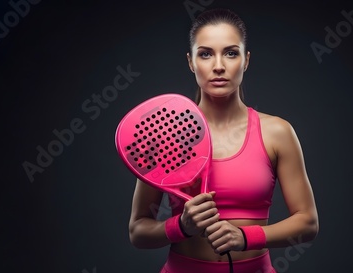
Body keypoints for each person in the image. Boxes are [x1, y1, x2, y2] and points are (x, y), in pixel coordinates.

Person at [128, 8, 319, 273]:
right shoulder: (164, 133)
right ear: (191, 62)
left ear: (246, 60)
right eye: (205, 54)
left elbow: (308, 223)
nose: (219, 66)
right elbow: (138, 231)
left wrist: (245, 237)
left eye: (231, 53)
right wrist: (179, 226)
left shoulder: (277, 132)